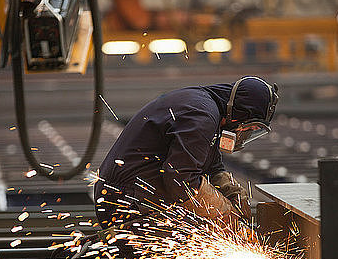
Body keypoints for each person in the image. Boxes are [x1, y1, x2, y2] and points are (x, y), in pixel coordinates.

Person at [94, 76, 279, 230]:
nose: (245, 134)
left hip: (132, 196)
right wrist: (225, 214)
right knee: (200, 238)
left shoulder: (207, 109)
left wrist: (234, 195)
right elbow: (179, 178)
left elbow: (213, 166)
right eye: (250, 127)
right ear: (239, 113)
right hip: (126, 204)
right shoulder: (202, 116)